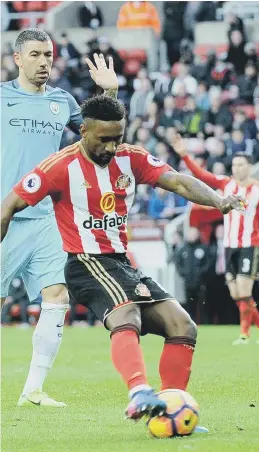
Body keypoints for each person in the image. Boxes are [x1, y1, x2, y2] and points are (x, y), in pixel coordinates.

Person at [1, 95, 246, 421]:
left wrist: (218, 200)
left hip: (120, 263)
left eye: (118, 138)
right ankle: (138, 391)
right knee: (125, 312)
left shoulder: (132, 158)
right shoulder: (59, 166)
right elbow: (9, 205)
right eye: (105, 139)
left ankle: (167, 412)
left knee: (182, 325)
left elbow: (177, 181)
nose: (113, 147)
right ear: (83, 130)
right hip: (85, 262)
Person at [0, 28, 118, 408]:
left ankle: (33, 389)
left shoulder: (62, 101)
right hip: (6, 215)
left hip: (47, 219)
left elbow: (96, 138)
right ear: (17, 58)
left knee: (57, 296)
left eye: (48, 55)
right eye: (35, 55)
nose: (43, 62)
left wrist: (109, 94)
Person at [173, 135, 259, 345]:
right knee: (236, 294)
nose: (236, 168)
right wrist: (185, 156)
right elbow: (202, 175)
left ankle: (245, 334)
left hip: (248, 246)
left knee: (244, 292)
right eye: (234, 164)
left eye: (241, 164)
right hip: (228, 247)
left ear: (250, 167)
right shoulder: (226, 184)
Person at [174, 227, 211, 322]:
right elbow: (178, 263)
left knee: (203, 305)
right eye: (191, 234)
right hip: (188, 282)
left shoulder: (203, 248)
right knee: (190, 305)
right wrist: (184, 273)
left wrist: (202, 273)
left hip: (201, 282)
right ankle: (191, 323)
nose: (192, 236)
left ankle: (205, 323)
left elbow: (208, 263)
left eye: (194, 234)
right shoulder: (183, 249)